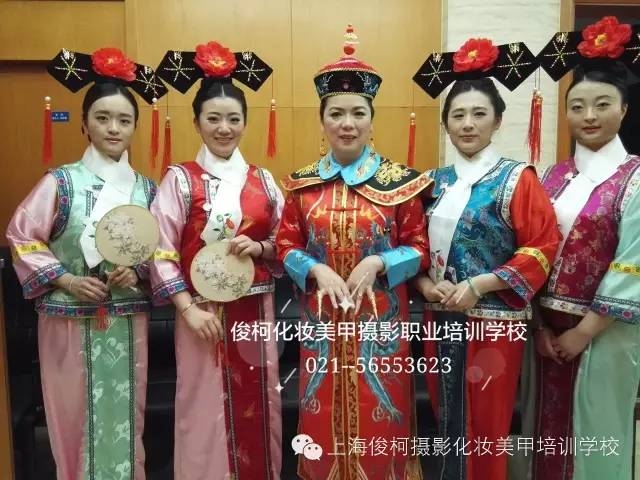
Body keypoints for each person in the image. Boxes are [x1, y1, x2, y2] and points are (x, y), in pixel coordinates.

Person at [275, 25, 431, 480]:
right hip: (322, 325)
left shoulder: (400, 185)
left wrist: (380, 260)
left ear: (371, 120)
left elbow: (419, 248)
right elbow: (285, 245)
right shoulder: (302, 185)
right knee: (320, 414)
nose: (348, 123)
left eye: (358, 113)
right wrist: (315, 269)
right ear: (322, 121)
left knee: (383, 414)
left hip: (379, 327)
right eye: (337, 113)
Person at [5, 47, 166, 479]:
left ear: (134, 127)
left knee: (126, 420)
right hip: (68, 321)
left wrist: (138, 270)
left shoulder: (147, 190)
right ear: (84, 123)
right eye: (103, 117)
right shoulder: (60, 183)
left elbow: (163, 251)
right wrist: (67, 279)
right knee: (73, 417)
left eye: (124, 120)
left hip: (126, 320)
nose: (113, 128)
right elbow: (21, 238)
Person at [412, 38, 560, 480]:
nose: (467, 124)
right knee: (447, 418)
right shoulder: (431, 183)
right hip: (440, 318)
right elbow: (413, 246)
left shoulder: (517, 179)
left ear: (497, 120)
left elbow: (541, 247)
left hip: (493, 323)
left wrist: (480, 284)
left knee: (487, 424)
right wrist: (425, 285)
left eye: (479, 114)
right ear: (446, 123)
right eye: (457, 115)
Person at [151, 41, 283, 479]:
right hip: (200, 313)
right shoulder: (180, 180)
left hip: (254, 309)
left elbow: (286, 241)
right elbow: (160, 251)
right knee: (202, 404)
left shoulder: (263, 180)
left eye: (233, 119)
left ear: (245, 122)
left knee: (258, 400)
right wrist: (187, 309)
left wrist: (261, 249)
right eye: (213, 118)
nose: (224, 128)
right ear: (197, 122)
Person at [533, 16, 640, 480]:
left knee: (598, 432)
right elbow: (533, 249)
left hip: (606, 332)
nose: (589, 116)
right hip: (546, 334)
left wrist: (584, 332)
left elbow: (633, 264)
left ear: (624, 110)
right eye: (577, 106)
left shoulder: (635, 178)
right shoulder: (551, 177)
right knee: (546, 433)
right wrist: (539, 325)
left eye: (602, 104)